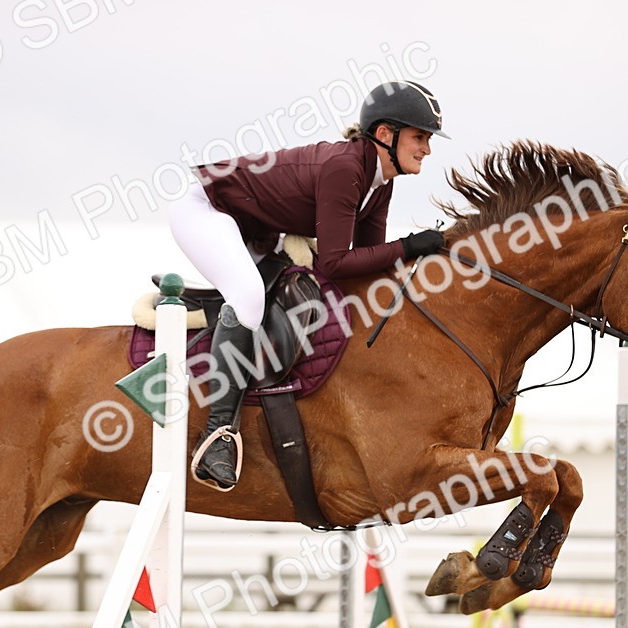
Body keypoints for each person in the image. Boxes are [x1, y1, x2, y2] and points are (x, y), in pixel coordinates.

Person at [169, 80, 449, 491]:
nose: (427, 148)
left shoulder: (380, 182)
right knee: (248, 297)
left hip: (254, 228)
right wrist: (407, 246)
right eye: (420, 137)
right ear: (385, 135)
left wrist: (418, 266)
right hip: (205, 212)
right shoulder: (346, 168)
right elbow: (336, 263)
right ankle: (217, 438)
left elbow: (371, 261)